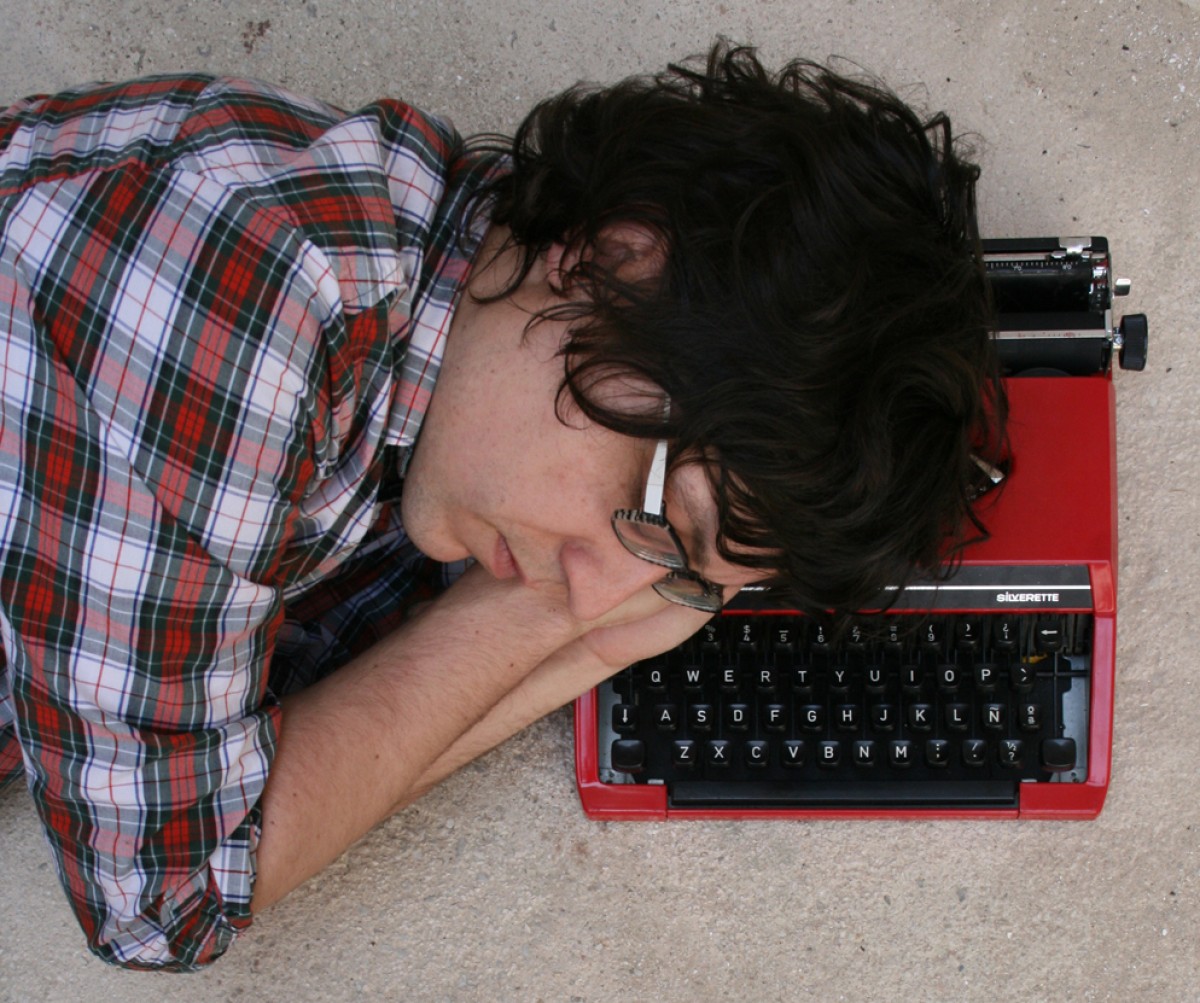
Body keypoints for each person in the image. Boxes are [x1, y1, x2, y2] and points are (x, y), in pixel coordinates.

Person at [0, 42, 1004, 969]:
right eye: (658, 514)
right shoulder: (243, 321)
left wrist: (597, 629)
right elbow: (162, 898)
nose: (600, 590)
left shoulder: (464, 351)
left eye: (683, 576)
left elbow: (253, 797)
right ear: (617, 257)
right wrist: (545, 631)